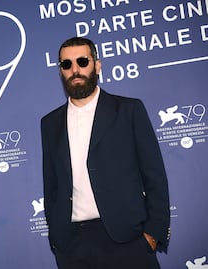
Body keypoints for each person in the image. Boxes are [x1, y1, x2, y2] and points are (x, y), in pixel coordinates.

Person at [40, 37, 170, 269]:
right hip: (73, 246)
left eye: (82, 61)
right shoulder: (50, 124)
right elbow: (51, 185)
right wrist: (57, 239)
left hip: (128, 240)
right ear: (60, 71)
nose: (75, 70)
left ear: (97, 65)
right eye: (66, 64)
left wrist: (152, 234)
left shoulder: (128, 110)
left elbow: (155, 176)